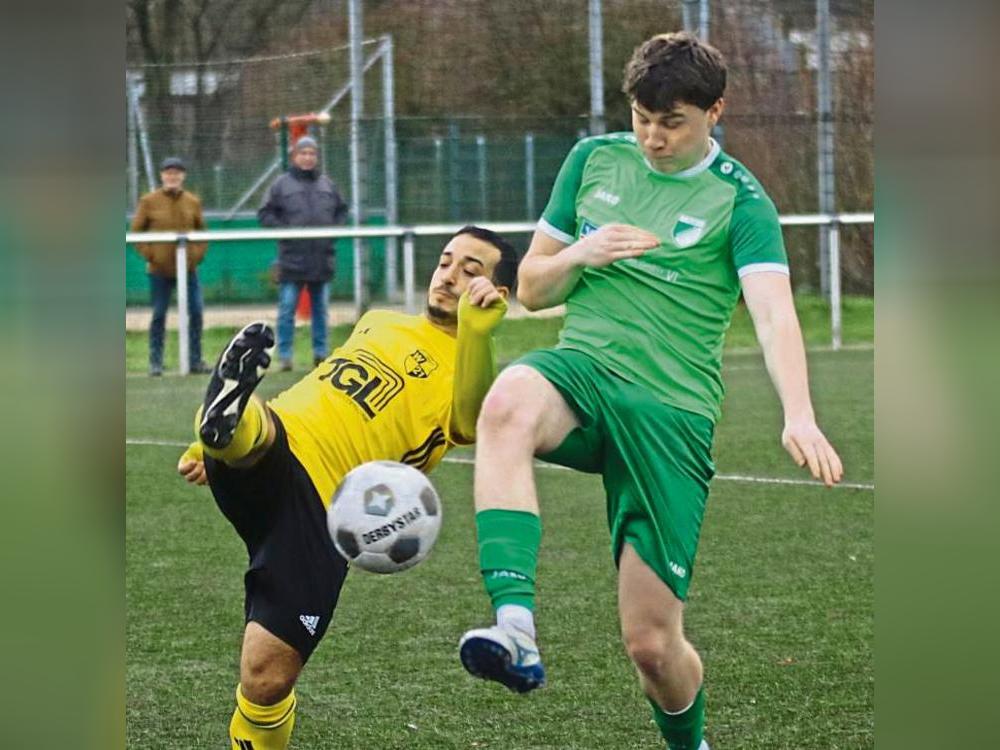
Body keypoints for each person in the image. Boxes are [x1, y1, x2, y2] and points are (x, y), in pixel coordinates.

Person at [456, 32, 844, 750]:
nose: (654, 138)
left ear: (714, 113)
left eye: (673, 123)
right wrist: (582, 250)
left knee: (653, 649)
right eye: (642, 118)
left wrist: (800, 414)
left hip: (671, 415)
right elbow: (532, 290)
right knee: (507, 401)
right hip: (584, 373)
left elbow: (773, 311)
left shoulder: (741, 201)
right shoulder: (592, 161)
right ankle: (516, 628)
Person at [176, 225, 518, 750]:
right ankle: (227, 424)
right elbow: (316, 386)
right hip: (282, 443)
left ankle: (229, 426)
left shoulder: (474, 370)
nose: (449, 276)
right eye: (447, 261)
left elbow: (470, 422)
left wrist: (476, 332)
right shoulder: (379, 320)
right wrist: (208, 447)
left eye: (471, 271)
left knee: (266, 676)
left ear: (498, 294)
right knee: (257, 430)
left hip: (327, 507)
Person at [258, 135, 349, 371]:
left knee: (321, 310)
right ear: (294, 156)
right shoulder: (280, 185)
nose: (308, 158)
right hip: (291, 259)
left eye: (312, 154)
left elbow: (342, 211)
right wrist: (285, 232)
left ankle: (320, 354)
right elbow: (265, 214)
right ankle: (285, 356)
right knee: (287, 309)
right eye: (303, 153)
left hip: (322, 258)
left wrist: (332, 232)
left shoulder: (328, 184)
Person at [131, 156, 210, 376]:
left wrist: (195, 256)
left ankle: (195, 360)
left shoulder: (193, 201)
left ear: (182, 176)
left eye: (176, 173)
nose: (172, 177)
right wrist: (152, 255)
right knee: (159, 315)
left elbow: (202, 233)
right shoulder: (148, 201)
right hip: (159, 271)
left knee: (196, 312)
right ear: (162, 175)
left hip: (189, 270)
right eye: (168, 173)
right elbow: (136, 232)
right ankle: (155, 362)